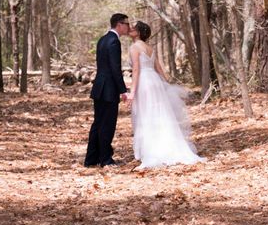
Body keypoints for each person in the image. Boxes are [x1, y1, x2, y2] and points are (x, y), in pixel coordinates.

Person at [128, 21, 205, 169]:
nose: (130, 28)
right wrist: (166, 85)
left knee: (147, 114)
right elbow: (159, 69)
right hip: (156, 82)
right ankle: (168, 145)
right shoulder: (150, 48)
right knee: (161, 114)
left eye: (133, 27)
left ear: (138, 32)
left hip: (144, 82)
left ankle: (153, 150)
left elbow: (136, 70)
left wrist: (132, 91)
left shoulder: (134, 47)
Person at [84, 13, 131, 167]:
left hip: (100, 87)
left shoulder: (103, 39)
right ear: (119, 24)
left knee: (98, 123)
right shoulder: (114, 42)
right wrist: (123, 90)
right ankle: (106, 159)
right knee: (107, 125)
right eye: (126, 24)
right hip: (108, 89)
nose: (128, 27)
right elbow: (115, 68)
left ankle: (91, 159)